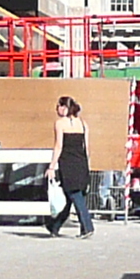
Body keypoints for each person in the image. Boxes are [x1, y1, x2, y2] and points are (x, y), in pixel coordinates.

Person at [42, 96, 95, 239]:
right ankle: (54, 226)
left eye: (58, 106)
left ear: (64, 107)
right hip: (82, 163)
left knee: (74, 195)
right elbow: (87, 147)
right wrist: (87, 166)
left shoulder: (60, 124)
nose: (56, 109)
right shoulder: (83, 124)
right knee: (72, 197)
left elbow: (59, 146)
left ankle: (87, 227)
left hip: (68, 164)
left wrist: (52, 166)